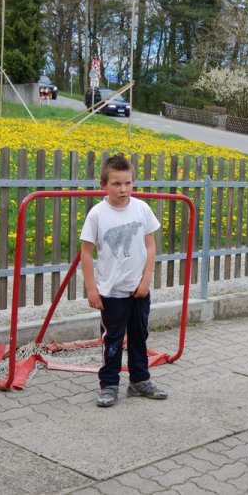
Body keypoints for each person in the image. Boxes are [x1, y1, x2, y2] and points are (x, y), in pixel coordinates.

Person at [80, 154, 168, 407]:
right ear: (103, 185)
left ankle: (139, 381)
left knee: (140, 336)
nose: (123, 189)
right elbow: (86, 253)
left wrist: (145, 281)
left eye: (128, 183)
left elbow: (150, 247)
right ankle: (109, 384)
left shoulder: (142, 209)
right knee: (113, 340)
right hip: (111, 293)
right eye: (117, 184)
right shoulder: (97, 214)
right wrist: (92, 290)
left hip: (138, 290)